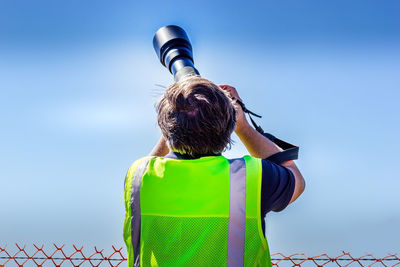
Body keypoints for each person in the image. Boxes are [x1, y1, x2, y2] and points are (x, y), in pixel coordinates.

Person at [123, 76, 305, 267]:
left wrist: (176, 119)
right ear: (228, 128)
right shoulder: (251, 177)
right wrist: (242, 125)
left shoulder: (139, 176)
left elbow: (151, 161)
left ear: (166, 126)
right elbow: (296, 178)